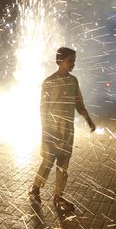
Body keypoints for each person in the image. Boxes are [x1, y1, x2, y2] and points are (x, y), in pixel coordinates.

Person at [28, 47, 96, 211]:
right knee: (48, 161)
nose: (73, 63)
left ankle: (58, 197)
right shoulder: (49, 82)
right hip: (52, 130)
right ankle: (35, 189)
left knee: (63, 164)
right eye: (70, 60)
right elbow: (43, 110)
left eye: (74, 60)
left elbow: (79, 103)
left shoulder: (73, 81)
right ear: (60, 61)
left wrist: (88, 119)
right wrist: (48, 132)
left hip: (67, 130)